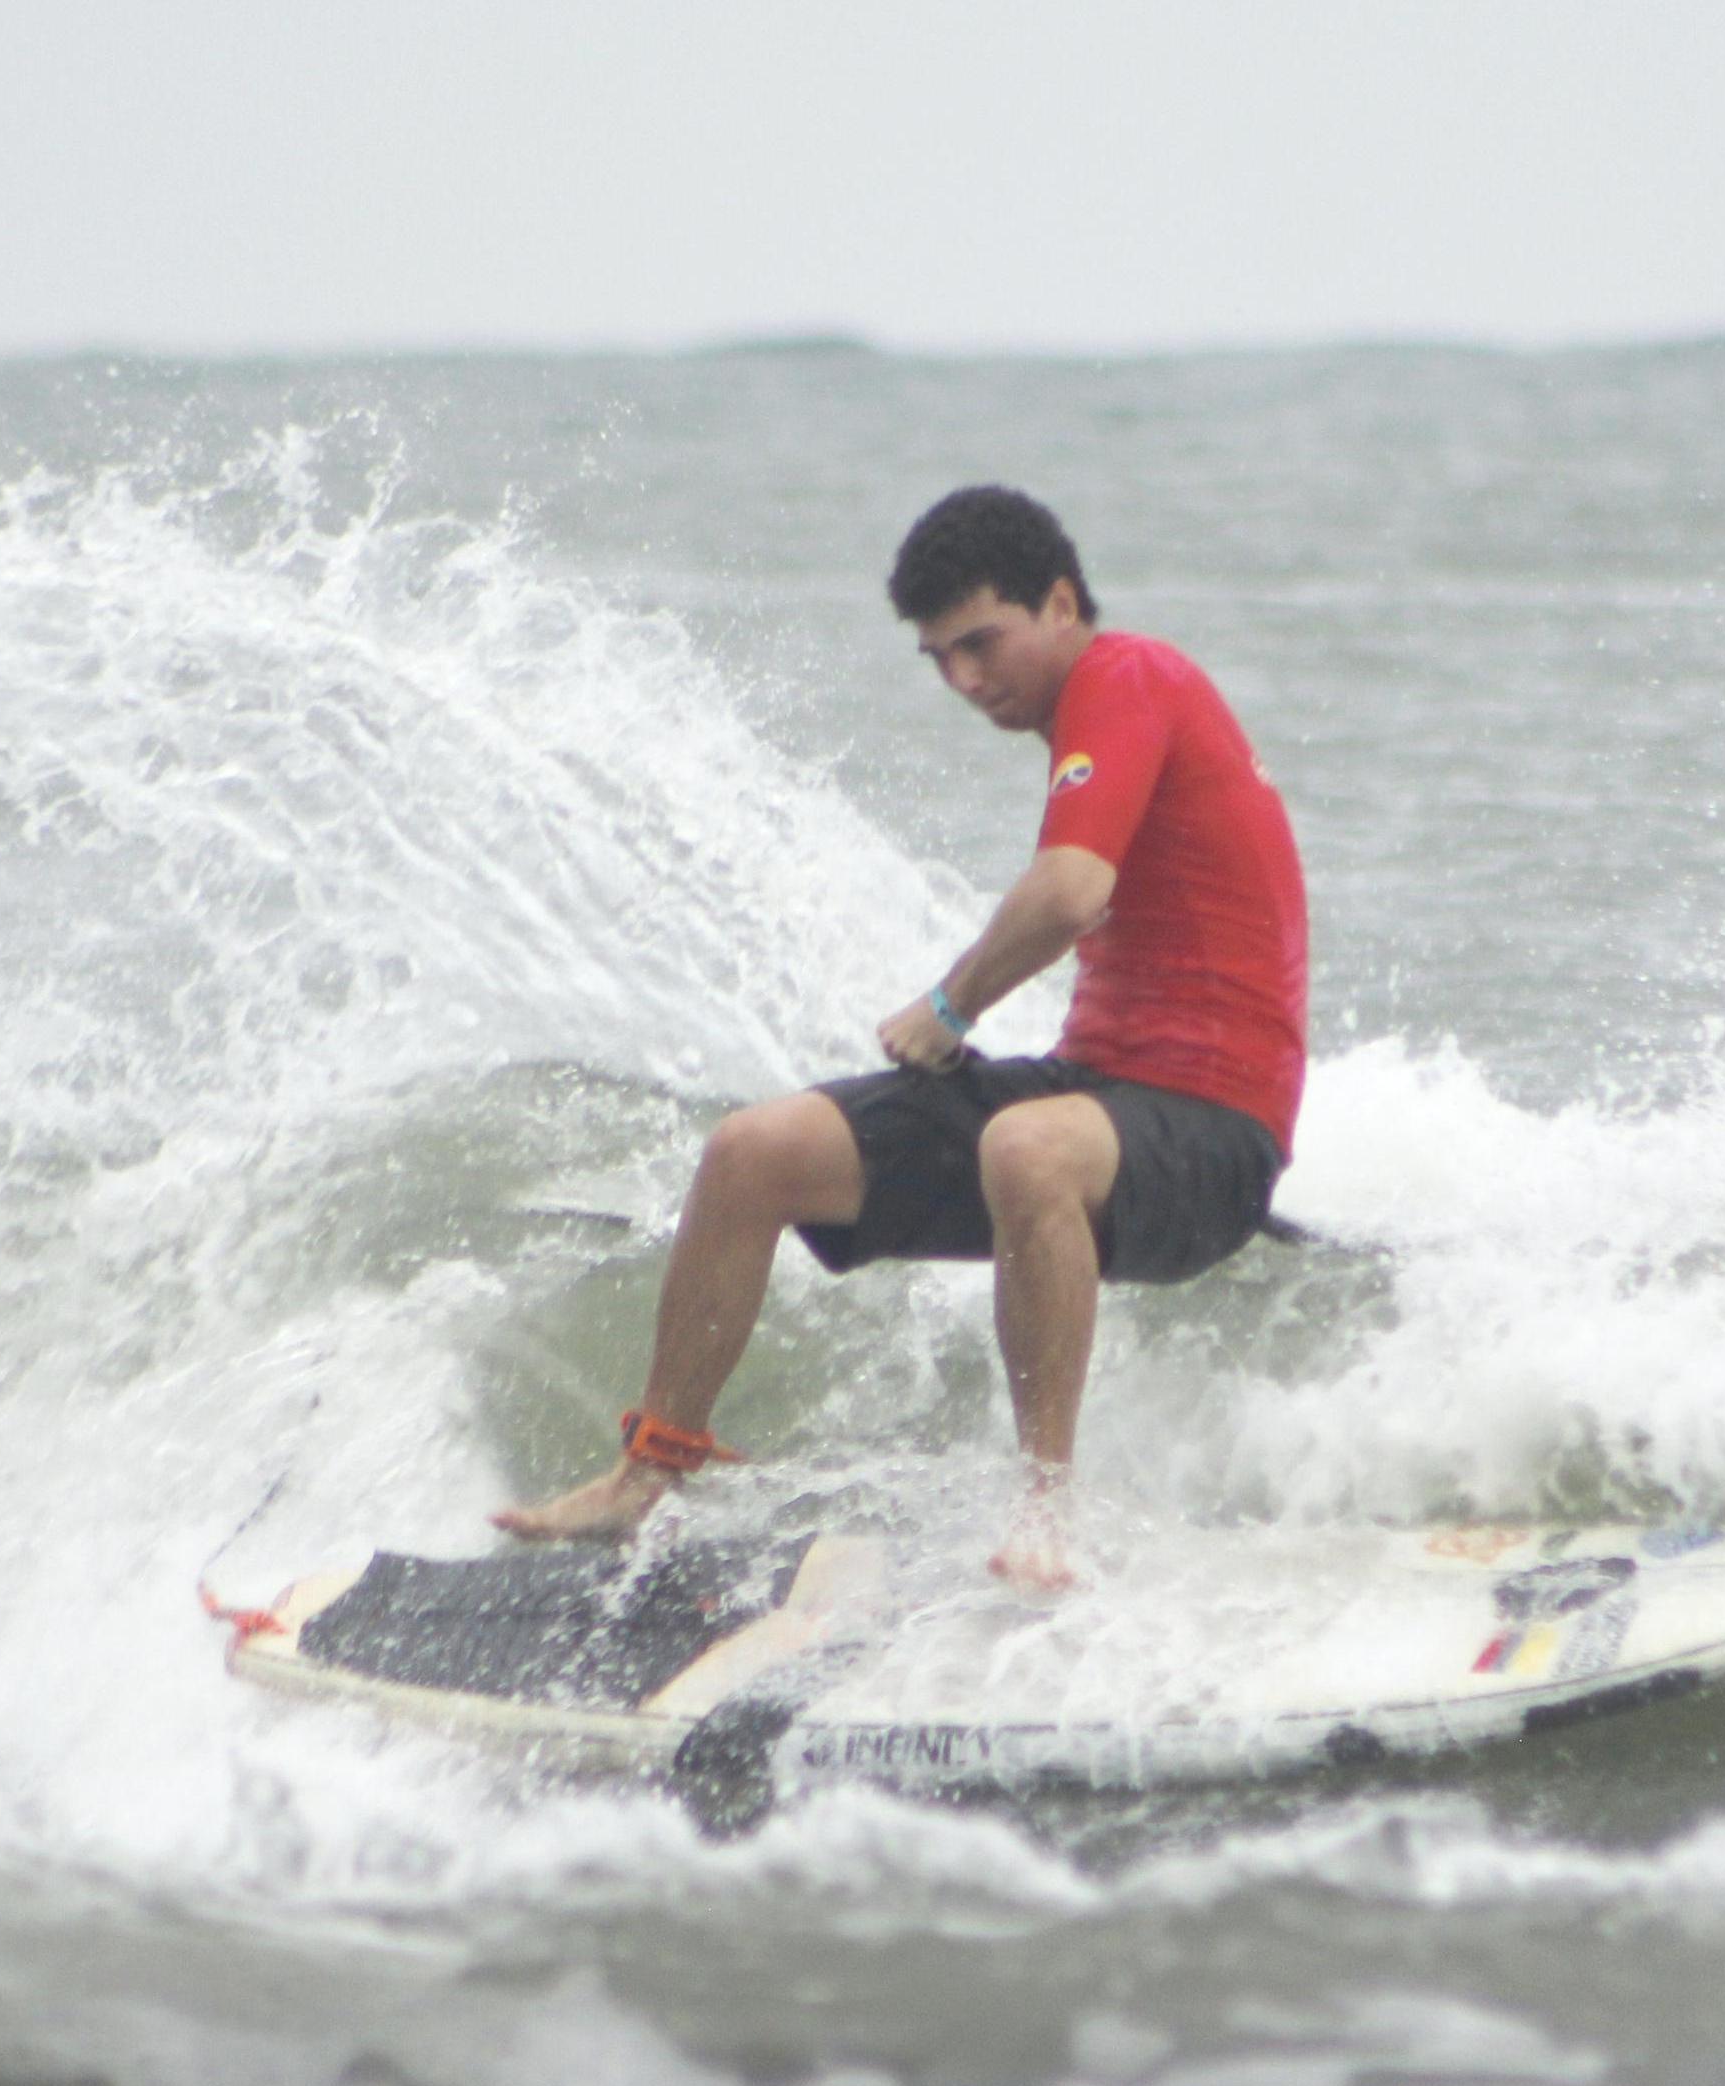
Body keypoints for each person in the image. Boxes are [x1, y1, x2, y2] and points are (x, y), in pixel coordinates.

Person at [493, 486, 1310, 1589]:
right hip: (1103, 1092)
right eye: (938, 659)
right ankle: (652, 1468)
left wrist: (951, 1006)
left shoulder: (1127, 677)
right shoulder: (1090, 713)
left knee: (1025, 1145)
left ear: (1060, 602)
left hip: (1216, 1133)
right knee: (751, 1153)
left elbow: (1070, 891)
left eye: (981, 642)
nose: (964, 681)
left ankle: (1045, 1513)